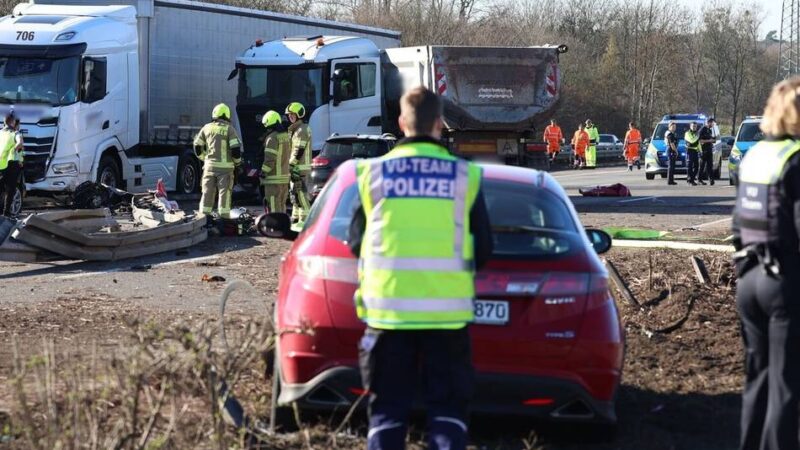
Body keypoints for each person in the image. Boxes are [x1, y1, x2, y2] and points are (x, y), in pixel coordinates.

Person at [347, 86, 493, 450]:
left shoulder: (372, 175)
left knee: (386, 417)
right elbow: (485, 248)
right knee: (447, 416)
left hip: (388, 316)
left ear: (401, 123)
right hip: (446, 319)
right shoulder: (464, 176)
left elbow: (354, 242)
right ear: (440, 124)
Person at [732, 77, 800, 450]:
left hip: (749, 280)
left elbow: (737, 224)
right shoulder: (796, 159)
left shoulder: (756, 155)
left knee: (756, 378)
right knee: (786, 384)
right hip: (784, 282)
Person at [193, 103, 242, 218]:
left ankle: (204, 220)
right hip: (225, 170)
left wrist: (204, 158)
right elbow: (235, 149)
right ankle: (223, 220)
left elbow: (197, 145)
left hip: (209, 168)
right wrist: (238, 162)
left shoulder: (206, 128)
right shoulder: (230, 129)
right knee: (224, 194)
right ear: (226, 115)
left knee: (207, 193)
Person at [286, 102, 311, 225]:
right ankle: (295, 218)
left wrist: (292, 164)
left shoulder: (302, 129)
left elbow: (299, 149)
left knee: (301, 195)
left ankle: (305, 220)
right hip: (295, 167)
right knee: (294, 194)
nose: (290, 117)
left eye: (292, 114)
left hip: (300, 168)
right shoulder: (296, 129)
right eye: (289, 115)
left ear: (299, 115)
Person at [260, 110, 291, 213]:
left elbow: (270, 159)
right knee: (282, 204)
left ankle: (275, 226)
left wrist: (263, 172)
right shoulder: (285, 136)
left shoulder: (272, 138)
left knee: (273, 205)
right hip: (284, 177)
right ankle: (283, 225)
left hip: (273, 179)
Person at [0, 114, 21, 217]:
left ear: (4, 122)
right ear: (13, 122)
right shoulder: (15, 133)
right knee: (10, 189)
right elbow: (20, 143)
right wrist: (13, 150)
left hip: (1, 164)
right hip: (12, 163)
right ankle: (6, 213)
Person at [698, 117, 716, 185]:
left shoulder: (710, 130)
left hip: (709, 150)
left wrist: (713, 140)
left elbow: (710, 139)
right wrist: (709, 140)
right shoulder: (702, 129)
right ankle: (699, 179)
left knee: (710, 166)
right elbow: (700, 140)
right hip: (703, 151)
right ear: (708, 122)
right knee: (702, 166)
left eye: (713, 122)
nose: (712, 124)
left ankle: (711, 180)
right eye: (711, 122)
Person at [664, 121, 678, 185]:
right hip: (670, 149)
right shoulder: (670, 134)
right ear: (669, 127)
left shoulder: (671, 133)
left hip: (670, 149)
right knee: (671, 166)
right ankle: (670, 181)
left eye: (675, 126)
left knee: (672, 166)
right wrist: (676, 151)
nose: (674, 128)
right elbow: (672, 144)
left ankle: (671, 180)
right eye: (672, 126)